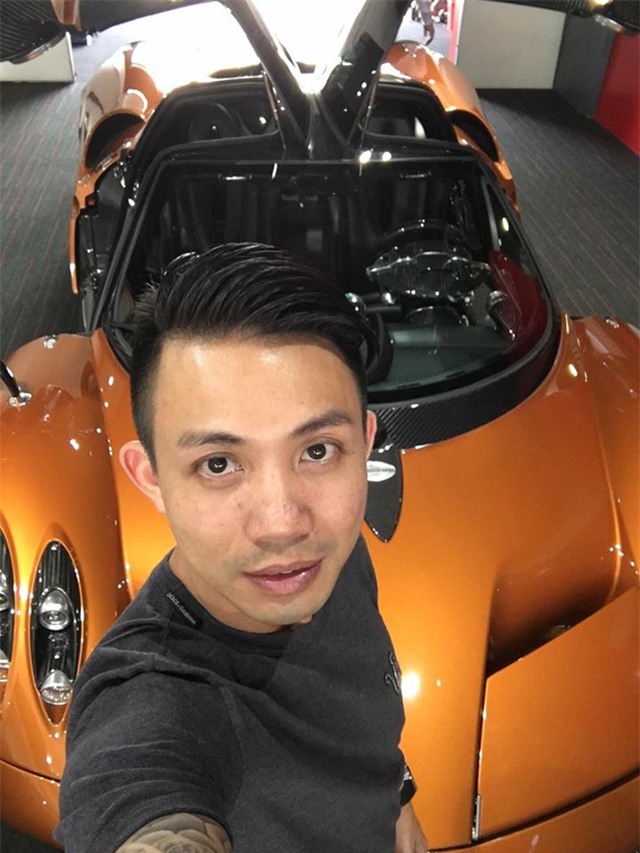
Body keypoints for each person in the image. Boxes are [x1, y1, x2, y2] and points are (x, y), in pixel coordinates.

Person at [55, 243, 428, 853]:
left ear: (363, 445)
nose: (283, 525)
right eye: (219, 463)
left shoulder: (336, 554)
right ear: (151, 478)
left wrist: (397, 795)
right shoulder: (155, 702)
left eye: (317, 451)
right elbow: (136, 794)